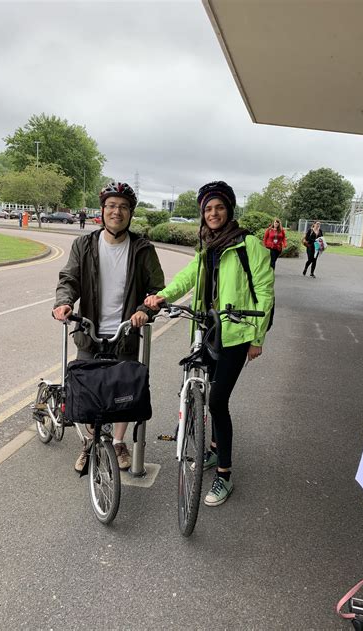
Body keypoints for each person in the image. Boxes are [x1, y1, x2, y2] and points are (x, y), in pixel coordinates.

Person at [145, 181, 274, 507]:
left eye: (218, 207)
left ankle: (225, 476)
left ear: (229, 209)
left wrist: (257, 337)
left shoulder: (248, 245)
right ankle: (213, 451)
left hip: (237, 334)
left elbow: (265, 292)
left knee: (217, 401)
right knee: (208, 395)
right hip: (207, 331)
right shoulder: (208, 248)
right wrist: (162, 296)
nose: (213, 213)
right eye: (207, 209)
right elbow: (187, 278)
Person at [52, 182, 165, 472]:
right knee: (88, 394)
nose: (117, 211)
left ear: (130, 213)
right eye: (112, 206)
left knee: (123, 395)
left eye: (124, 207)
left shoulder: (142, 248)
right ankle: (90, 443)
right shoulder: (84, 245)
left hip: (125, 334)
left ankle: (117, 443)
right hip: (90, 333)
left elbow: (156, 289)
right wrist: (64, 303)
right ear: (102, 210)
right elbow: (69, 280)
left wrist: (143, 310)